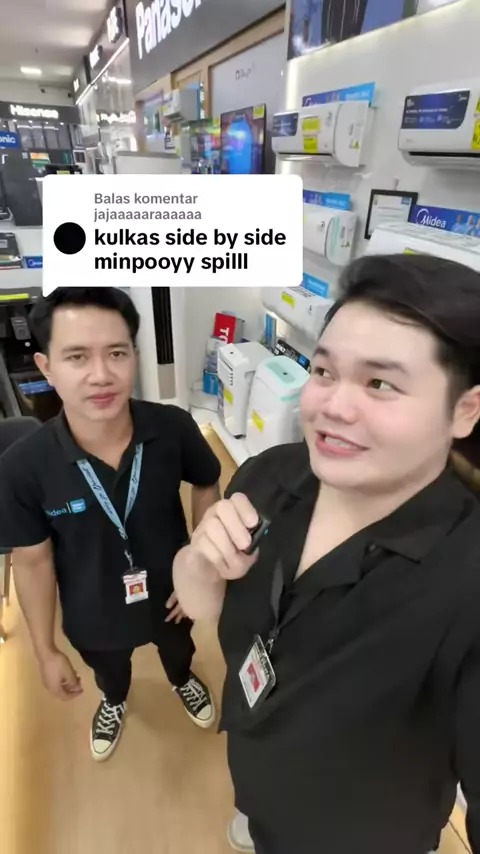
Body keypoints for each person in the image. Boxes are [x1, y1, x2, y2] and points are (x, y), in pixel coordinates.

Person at [173, 254, 480, 854]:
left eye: (380, 384)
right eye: (323, 370)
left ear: (465, 409)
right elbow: (203, 606)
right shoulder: (271, 476)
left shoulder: (465, 581)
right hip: (257, 764)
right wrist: (200, 560)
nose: (333, 406)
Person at [0, 287, 221, 761]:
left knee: (178, 651)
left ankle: (182, 678)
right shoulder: (22, 468)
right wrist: (45, 650)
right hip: (91, 608)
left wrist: (199, 567)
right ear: (46, 367)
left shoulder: (173, 427)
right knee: (109, 670)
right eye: (77, 356)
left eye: (117, 353)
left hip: (172, 594)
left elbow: (207, 483)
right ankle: (114, 699)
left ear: (134, 356)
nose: (101, 375)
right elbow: (33, 562)